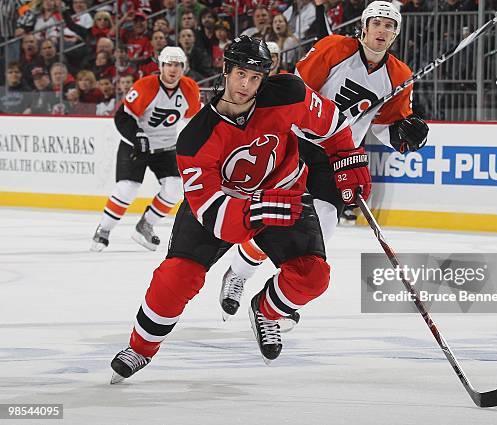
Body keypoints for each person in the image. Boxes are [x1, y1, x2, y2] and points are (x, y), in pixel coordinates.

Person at [109, 36, 371, 382]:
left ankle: (267, 310)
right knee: (176, 278)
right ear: (226, 71)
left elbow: (334, 126)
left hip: (285, 193)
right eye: (239, 75)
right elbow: (214, 213)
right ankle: (140, 348)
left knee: (313, 276)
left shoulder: (289, 92)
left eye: (255, 77)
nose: (245, 85)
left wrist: (345, 160)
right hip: (220, 205)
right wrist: (252, 210)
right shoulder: (195, 137)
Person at [218, 1, 429, 322]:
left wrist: (407, 134)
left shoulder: (400, 74)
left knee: (323, 229)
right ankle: (238, 272)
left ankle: (276, 295)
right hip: (300, 143)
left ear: (396, 33)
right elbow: (297, 89)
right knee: (275, 221)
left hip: (339, 157)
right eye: (377, 24)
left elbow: (387, 126)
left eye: (389, 26)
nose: (382, 31)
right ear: (365, 26)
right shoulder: (335, 48)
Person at [91, 46, 201, 252]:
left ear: (183, 68)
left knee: (175, 187)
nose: (173, 69)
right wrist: (137, 136)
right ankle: (103, 231)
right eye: (169, 64)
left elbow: (193, 120)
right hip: (136, 145)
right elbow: (122, 116)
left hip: (166, 147)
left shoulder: (190, 88)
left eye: (177, 65)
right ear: (161, 66)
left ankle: (146, 225)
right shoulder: (145, 86)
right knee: (127, 189)